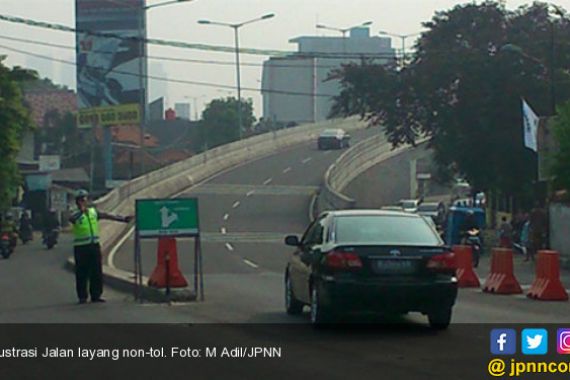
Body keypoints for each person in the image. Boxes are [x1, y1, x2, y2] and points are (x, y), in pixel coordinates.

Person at [69, 189, 132, 304]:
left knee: (96, 271)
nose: (84, 202)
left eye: (85, 199)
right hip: (81, 247)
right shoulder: (74, 213)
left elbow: (107, 216)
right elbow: (72, 219)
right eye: (81, 200)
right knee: (82, 273)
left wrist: (123, 219)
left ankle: (96, 295)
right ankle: (82, 296)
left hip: (94, 246)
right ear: (77, 202)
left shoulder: (93, 212)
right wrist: (81, 212)